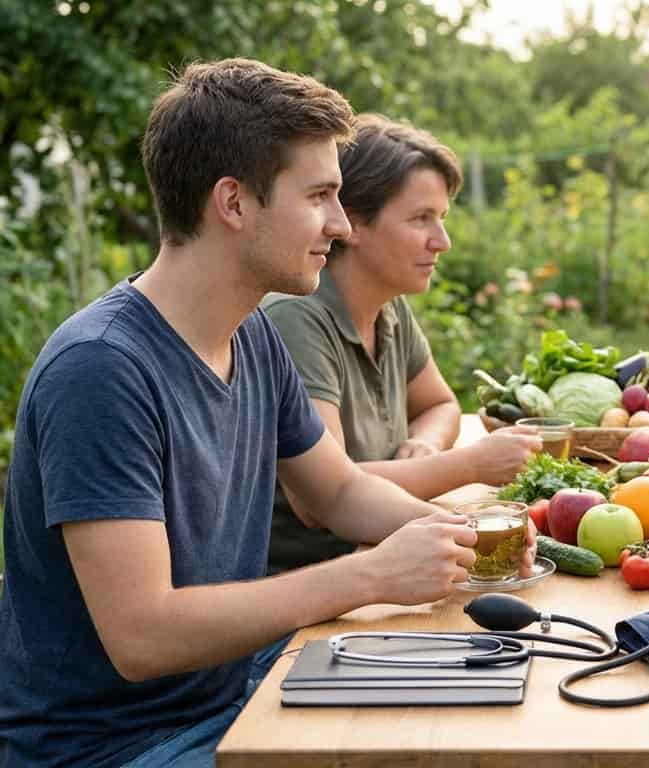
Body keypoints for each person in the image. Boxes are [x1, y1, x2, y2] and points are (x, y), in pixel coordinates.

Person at [0, 59, 532, 768]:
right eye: (319, 197)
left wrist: (464, 537)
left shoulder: (250, 335)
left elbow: (337, 491)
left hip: (235, 695)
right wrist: (369, 576)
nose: (340, 226)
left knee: (477, 723)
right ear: (234, 203)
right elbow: (142, 636)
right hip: (114, 748)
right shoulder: (101, 370)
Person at [262, 114, 539, 574]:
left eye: (442, 219)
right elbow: (323, 496)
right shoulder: (297, 320)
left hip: (383, 552)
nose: (442, 241)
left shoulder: (388, 310)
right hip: (314, 585)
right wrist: (467, 464)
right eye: (420, 219)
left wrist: (426, 445)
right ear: (353, 222)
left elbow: (441, 404)